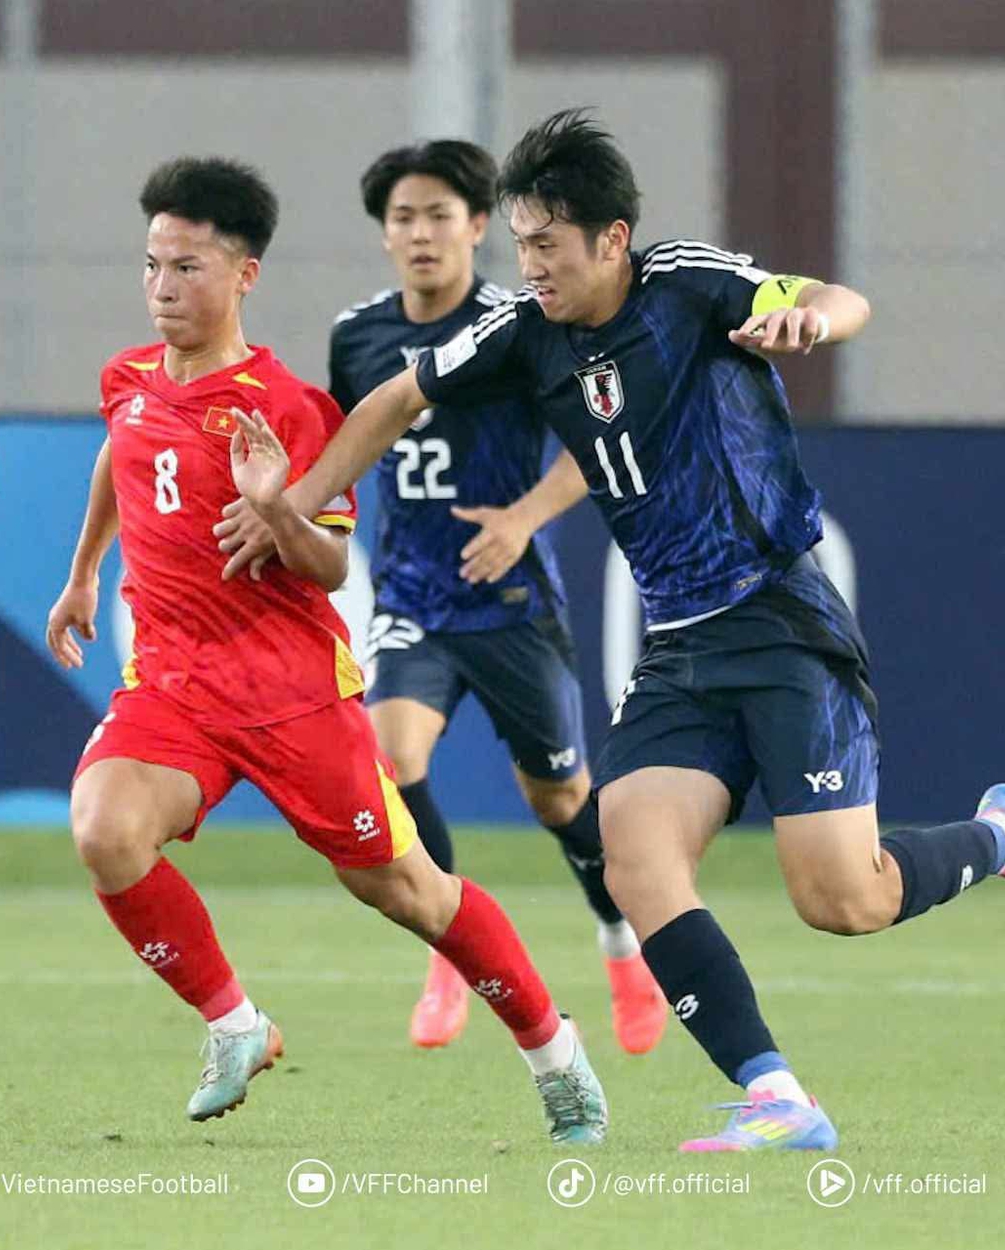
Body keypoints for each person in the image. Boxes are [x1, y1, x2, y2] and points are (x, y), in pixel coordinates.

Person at [219, 109, 1005, 1152]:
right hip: (678, 642)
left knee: (841, 899)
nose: (529, 266)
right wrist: (292, 504)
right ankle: (777, 1095)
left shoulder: (684, 281)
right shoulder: (524, 330)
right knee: (632, 855)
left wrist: (810, 325)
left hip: (778, 617)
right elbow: (394, 398)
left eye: (548, 244)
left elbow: (836, 298)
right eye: (521, 244)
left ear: (612, 239)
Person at [44, 155, 608, 1144]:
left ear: (244, 275)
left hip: (291, 695)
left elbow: (329, 563)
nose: (163, 287)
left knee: (410, 892)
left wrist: (274, 507)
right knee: (103, 828)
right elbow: (119, 449)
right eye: (152, 265)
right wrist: (85, 568)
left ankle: (551, 1048)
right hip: (173, 688)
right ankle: (234, 1023)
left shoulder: (286, 407)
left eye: (187, 267)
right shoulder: (126, 381)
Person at [326, 139, 664, 1054]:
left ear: (478, 227)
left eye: (439, 215)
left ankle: (620, 943)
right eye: (403, 217)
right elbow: (343, 442)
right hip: (412, 597)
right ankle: (451, 944)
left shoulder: (524, 324)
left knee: (560, 799)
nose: (421, 233)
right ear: (385, 234)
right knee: (389, 758)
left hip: (511, 600)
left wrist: (521, 518)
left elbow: (595, 444)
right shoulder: (357, 337)